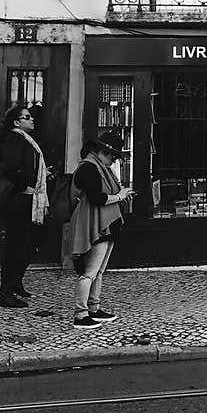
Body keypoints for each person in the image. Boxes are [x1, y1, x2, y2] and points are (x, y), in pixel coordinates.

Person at [68, 127, 133, 328]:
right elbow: (97, 198)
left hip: (104, 223)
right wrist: (120, 196)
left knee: (98, 271)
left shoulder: (99, 167)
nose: (113, 162)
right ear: (105, 153)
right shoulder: (89, 168)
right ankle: (81, 314)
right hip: (94, 223)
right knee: (90, 271)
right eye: (113, 157)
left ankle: (94, 308)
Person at [0, 105, 49, 308]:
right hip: (17, 200)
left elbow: (24, 166)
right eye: (26, 117)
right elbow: (8, 168)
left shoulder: (25, 140)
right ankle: (5, 292)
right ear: (16, 122)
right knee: (16, 245)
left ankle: (15, 281)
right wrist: (24, 186)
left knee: (31, 239)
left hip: (26, 199)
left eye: (31, 116)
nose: (31, 119)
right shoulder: (15, 139)